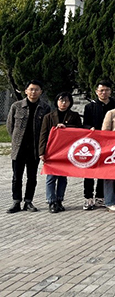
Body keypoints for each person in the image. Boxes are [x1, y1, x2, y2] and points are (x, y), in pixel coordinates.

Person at [6, 80, 52, 214]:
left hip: (34, 148)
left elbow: (47, 128)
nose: (33, 92)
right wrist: (16, 139)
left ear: (41, 92)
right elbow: (10, 126)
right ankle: (16, 201)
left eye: (36, 89)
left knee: (32, 177)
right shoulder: (16, 106)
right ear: (26, 91)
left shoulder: (45, 108)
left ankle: (28, 201)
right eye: (31, 89)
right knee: (17, 177)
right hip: (19, 148)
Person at [39, 92, 83, 213]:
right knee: (51, 177)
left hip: (67, 151)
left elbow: (80, 131)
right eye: (61, 100)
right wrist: (42, 152)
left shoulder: (74, 116)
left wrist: (66, 128)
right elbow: (43, 135)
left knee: (63, 177)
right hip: (52, 151)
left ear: (70, 103)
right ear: (57, 102)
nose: (63, 103)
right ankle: (51, 201)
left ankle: (59, 200)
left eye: (66, 101)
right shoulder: (48, 117)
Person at [82, 79, 115, 210]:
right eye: (101, 90)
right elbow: (85, 124)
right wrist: (90, 128)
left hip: (110, 143)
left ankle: (100, 197)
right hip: (93, 143)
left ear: (110, 91)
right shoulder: (90, 107)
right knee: (89, 170)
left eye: (107, 90)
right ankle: (88, 198)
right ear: (96, 91)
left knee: (104, 170)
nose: (104, 92)